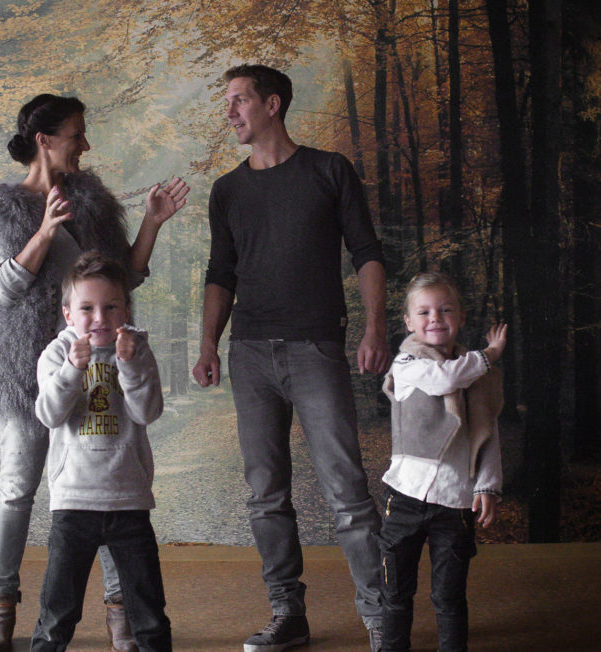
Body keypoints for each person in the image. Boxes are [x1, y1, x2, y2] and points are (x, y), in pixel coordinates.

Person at [0, 93, 187, 652]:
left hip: (99, 373)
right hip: (26, 373)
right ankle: (0, 607)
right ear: (44, 140)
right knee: (17, 488)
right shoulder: (1, 210)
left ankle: (119, 611)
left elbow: (121, 280)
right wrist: (44, 230)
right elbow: (3, 289)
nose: (85, 144)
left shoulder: (91, 204)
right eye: (76, 134)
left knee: (106, 488)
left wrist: (152, 222)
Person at [192, 64, 390, 652]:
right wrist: (208, 342)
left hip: (316, 348)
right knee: (266, 494)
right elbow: (220, 273)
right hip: (250, 353)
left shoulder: (329, 170)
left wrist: (375, 327)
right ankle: (288, 615)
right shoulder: (227, 190)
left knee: (347, 491)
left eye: (239, 100)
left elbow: (367, 252)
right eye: (228, 101)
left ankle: (381, 617)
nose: (229, 111)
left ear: (272, 104)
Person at [30, 251, 170, 652]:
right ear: (68, 314)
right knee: (58, 611)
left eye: (111, 307)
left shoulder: (136, 350)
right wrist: (72, 370)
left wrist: (130, 365)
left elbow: (147, 412)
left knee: (148, 611)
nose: (99, 318)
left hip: (128, 498)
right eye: (87, 308)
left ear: (125, 310)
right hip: (74, 500)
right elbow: (49, 415)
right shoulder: (56, 354)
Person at [379, 272, 507, 652]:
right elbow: (443, 380)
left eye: (446, 310)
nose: (435, 318)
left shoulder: (478, 375)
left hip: (455, 500)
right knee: (396, 592)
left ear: (461, 317)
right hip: (405, 496)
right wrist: (489, 354)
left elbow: (487, 434)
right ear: (409, 322)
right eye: (424, 312)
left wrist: (487, 486)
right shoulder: (407, 362)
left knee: (449, 597)